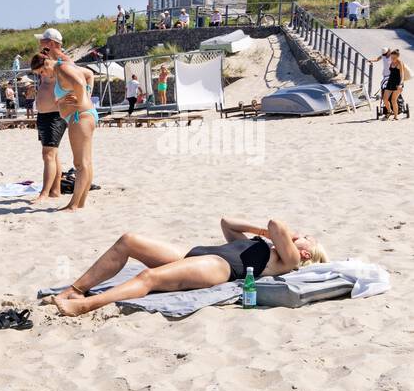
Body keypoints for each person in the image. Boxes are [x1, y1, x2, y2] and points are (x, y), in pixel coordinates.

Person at [50, 218, 328, 316]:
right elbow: (227, 222)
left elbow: (277, 224)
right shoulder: (266, 246)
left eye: (305, 236)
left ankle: (87, 305)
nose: (299, 232)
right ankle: (75, 290)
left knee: (149, 277)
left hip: (218, 267)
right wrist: (260, 232)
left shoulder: (287, 261)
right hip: (196, 253)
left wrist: (281, 235)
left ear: (304, 253)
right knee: (128, 241)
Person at [30, 45, 97, 211]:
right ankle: (80, 202)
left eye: (40, 73)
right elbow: (85, 77)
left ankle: (73, 204)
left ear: (45, 64)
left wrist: (81, 101)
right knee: (85, 162)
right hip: (80, 115)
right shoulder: (61, 69)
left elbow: (81, 82)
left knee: (80, 164)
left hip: (79, 116)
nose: (42, 76)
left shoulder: (62, 68)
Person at [380, 49, 409, 120]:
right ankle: (389, 111)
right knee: (385, 99)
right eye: (391, 57)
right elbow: (391, 73)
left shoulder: (400, 63)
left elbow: (402, 75)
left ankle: (395, 117)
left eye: (394, 57)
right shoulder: (391, 62)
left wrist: (400, 84)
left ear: (398, 57)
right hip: (390, 82)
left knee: (393, 100)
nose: (392, 59)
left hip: (397, 84)